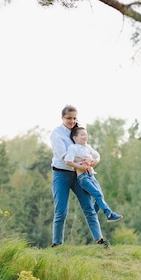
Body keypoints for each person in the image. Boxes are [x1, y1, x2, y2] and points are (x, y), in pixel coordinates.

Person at [50, 104, 109, 248]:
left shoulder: (79, 130)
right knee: (61, 211)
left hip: (79, 175)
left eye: (74, 118)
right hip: (61, 174)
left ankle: (99, 240)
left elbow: (89, 151)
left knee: (88, 207)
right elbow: (64, 156)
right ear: (62, 117)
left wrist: (92, 161)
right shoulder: (56, 134)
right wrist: (83, 162)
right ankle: (57, 243)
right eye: (68, 118)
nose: (72, 121)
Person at [64, 126, 123, 223]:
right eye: (82, 135)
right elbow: (68, 162)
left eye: (86, 135)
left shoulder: (88, 147)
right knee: (98, 194)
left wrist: (93, 162)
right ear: (75, 138)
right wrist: (80, 167)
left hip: (91, 175)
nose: (85, 137)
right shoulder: (73, 148)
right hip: (83, 178)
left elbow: (98, 156)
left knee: (100, 196)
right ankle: (109, 214)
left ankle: (93, 214)